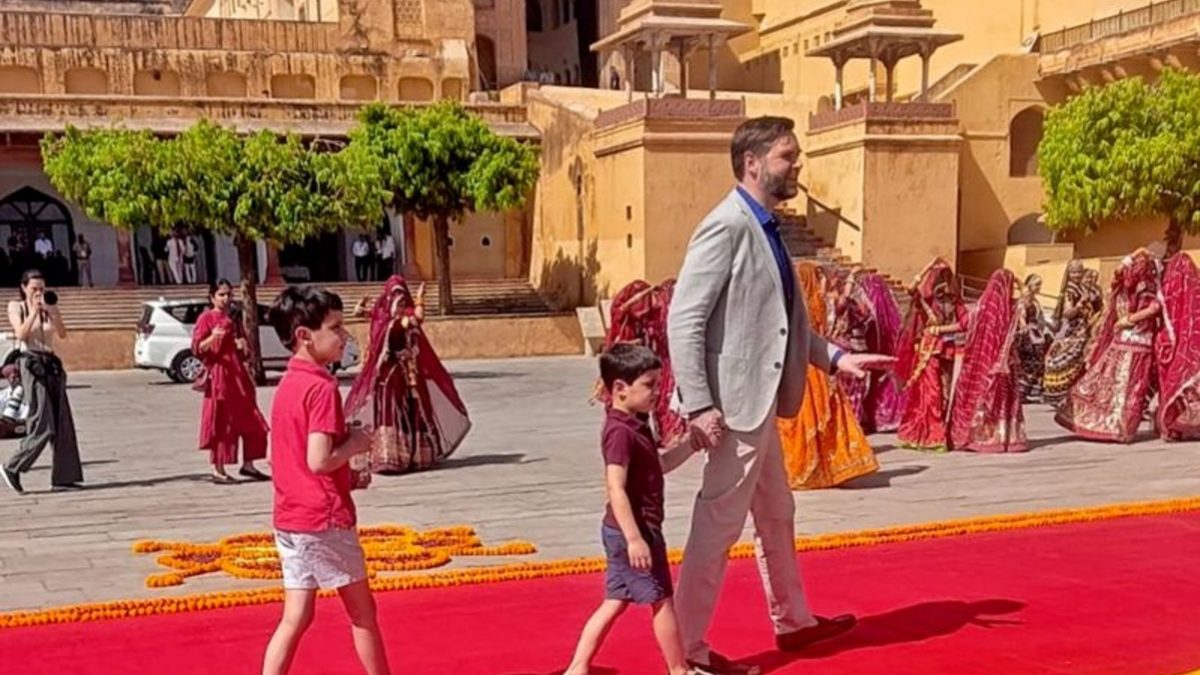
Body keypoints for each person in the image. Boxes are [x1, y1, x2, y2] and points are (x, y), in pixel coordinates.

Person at [667, 116, 893, 675]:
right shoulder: (726, 226)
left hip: (760, 404)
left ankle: (793, 622)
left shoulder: (766, 227)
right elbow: (685, 319)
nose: (797, 166)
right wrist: (699, 406)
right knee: (716, 528)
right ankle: (688, 655)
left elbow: (785, 324)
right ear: (753, 162)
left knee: (777, 514)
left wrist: (839, 358)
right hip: (731, 408)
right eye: (788, 157)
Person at [262, 286, 391, 675]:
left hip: (290, 516)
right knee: (363, 611)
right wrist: (355, 443)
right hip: (323, 520)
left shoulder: (287, 384)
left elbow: (277, 455)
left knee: (296, 616)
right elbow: (318, 461)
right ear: (305, 335)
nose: (343, 336)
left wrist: (346, 473)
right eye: (335, 327)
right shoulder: (320, 386)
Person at [564, 343, 699, 675]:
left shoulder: (636, 423)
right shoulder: (620, 433)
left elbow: (660, 464)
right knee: (662, 600)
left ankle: (578, 667)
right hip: (633, 531)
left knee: (615, 600)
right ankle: (679, 669)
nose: (657, 392)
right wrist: (635, 538)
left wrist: (693, 443)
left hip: (627, 529)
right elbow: (615, 486)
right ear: (620, 390)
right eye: (650, 385)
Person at [344, 275, 470, 474]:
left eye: (404, 301)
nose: (401, 305)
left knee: (406, 410)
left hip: (402, 374)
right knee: (391, 411)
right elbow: (414, 318)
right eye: (397, 300)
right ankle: (389, 455)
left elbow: (410, 319)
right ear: (389, 301)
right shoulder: (390, 321)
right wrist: (420, 299)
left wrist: (417, 299)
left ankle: (409, 455)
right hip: (388, 376)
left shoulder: (392, 321)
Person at [777, 262, 877, 490]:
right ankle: (828, 466)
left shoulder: (794, 306)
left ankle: (804, 467)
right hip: (821, 365)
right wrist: (850, 277)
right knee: (822, 416)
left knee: (801, 419)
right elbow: (841, 304)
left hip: (805, 363)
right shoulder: (823, 303)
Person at [1055, 249, 1161, 443]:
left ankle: (1119, 426)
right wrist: (1138, 253)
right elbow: (1118, 275)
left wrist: (1127, 319)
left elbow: (1154, 308)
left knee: (1124, 385)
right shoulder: (1128, 285)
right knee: (1118, 384)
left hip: (1135, 339)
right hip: (1126, 340)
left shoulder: (1143, 286)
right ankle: (1116, 426)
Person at [1, 270, 82, 494]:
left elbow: (63, 334)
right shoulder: (17, 306)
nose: (39, 292)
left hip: (51, 363)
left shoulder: (49, 305)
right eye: (34, 288)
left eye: (41, 288)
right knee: (42, 422)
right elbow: (21, 334)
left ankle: (65, 477)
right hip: (31, 363)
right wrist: (34, 311)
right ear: (24, 287)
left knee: (62, 422)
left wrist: (53, 313)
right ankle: (12, 466)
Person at [192, 279, 270, 484]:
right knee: (222, 422)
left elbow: (244, 349)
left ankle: (249, 464)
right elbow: (197, 348)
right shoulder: (206, 318)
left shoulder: (234, 319)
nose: (226, 299)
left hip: (238, 375)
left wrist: (242, 346)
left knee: (253, 419)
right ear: (212, 297)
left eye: (228, 294)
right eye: (221, 295)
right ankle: (219, 468)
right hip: (220, 375)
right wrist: (212, 338)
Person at [948, 269, 1028, 453]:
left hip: (980, 364)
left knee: (978, 397)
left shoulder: (981, 308)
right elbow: (1026, 298)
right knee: (1002, 400)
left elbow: (963, 325)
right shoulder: (1012, 308)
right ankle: (1002, 438)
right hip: (1003, 364)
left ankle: (978, 436)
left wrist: (937, 329)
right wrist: (1019, 282)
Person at [602, 279, 687, 445]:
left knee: (657, 398)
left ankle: (663, 433)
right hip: (633, 366)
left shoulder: (652, 316)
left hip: (652, 363)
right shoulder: (625, 318)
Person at [895, 258, 968, 452]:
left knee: (944, 391)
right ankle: (929, 435)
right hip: (929, 352)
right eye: (938, 276)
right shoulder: (927, 300)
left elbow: (964, 323)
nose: (942, 279)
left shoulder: (954, 300)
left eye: (945, 275)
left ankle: (940, 433)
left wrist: (941, 329)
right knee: (931, 392)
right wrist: (927, 266)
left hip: (948, 350)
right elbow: (910, 289)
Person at [1042, 262, 1104, 405]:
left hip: (1085, 329)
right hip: (1073, 330)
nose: (1076, 275)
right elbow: (1068, 313)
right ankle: (1061, 394)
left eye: (1079, 272)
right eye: (1073, 272)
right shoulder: (1070, 291)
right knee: (1069, 360)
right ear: (1069, 274)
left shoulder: (1083, 288)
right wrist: (1079, 305)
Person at [1156, 252, 1200, 441]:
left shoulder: (1168, 289)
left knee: (1172, 386)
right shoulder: (1195, 291)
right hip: (1192, 346)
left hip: (1171, 343)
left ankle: (1173, 426)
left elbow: (1159, 311)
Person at [858, 272, 904, 433]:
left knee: (878, 386)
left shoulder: (874, 318)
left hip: (877, 355)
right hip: (890, 357)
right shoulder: (891, 316)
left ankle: (880, 418)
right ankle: (894, 417)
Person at [1014, 274, 1051, 402]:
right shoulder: (1024, 301)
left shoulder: (1035, 301)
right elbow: (1021, 318)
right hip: (1029, 335)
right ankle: (1021, 393)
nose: (1039, 287)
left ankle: (1028, 391)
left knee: (1036, 362)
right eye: (1036, 284)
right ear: (1029, 285)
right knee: (1028, 363)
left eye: (1039, 284)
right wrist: (1026, 332)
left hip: (1036, 334)